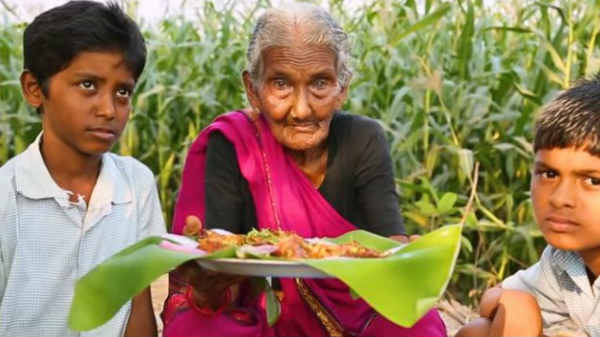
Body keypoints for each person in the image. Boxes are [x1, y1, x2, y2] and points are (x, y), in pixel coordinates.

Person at [162, 2, 446, 336]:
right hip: (265, 317)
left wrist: (410, 261)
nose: (301, 109)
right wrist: (208, 284)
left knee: (418, 325)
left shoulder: (364, 139)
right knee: (196, 327)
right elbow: (224, 264)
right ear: (253, 90)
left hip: (356, 322)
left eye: (320, 83)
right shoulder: (234, 143)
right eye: (280, 84)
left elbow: (388, 246)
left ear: (343, 88)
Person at [0, 1, 165, 336]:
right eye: (88, 85)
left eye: (122, 92)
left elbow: (137, 305)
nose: (108, 109)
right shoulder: (6, 197)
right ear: (34, 89)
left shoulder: (136, 185)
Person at [457, 76, 600, 337]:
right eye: (549, 174)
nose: (559, 198)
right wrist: (515, 305)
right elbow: (495, 297)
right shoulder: (564, 260)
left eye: (593, 180)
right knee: (479, 330)